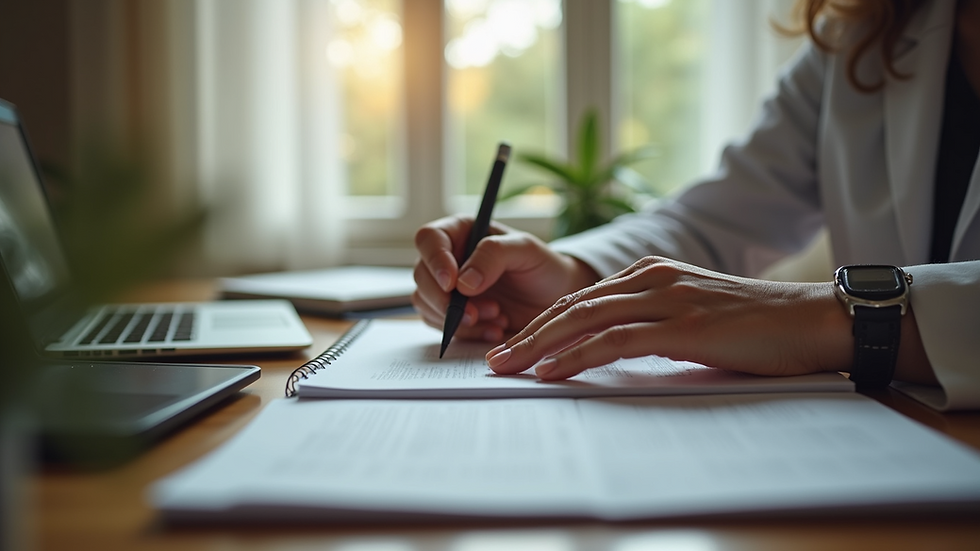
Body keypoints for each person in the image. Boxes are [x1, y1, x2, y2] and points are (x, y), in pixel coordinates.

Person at [412, 0, 980, 411]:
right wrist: (572, 277)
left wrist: (831, 319)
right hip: (897, 427)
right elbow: (716, 219)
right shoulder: (864, 33)